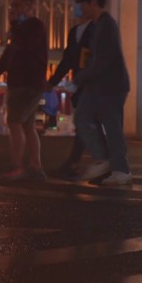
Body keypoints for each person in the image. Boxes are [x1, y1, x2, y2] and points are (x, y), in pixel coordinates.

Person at [0, 0, 48, 181]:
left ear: (29, 6)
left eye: (18, 5)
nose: (14, 9)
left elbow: (24, 49)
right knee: (27, 125)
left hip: (26, 83)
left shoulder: (34, 26)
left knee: (15, 123)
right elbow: (8, 56)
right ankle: (36, 166)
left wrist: (14, 26)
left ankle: (18, 167)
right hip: (26, 83)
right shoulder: (21, 29)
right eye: (12, 6)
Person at [72, 0, 132, 186]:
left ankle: (120, 169)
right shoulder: (96, 26)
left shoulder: (107, 25)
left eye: (82, 4)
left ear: (93, 3)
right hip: (96, 84)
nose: (80, 8)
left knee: (112, 126)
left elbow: (104, 59)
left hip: (111, 86)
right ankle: (103, 160)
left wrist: (82, 76)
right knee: (82, 115)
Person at [47, 11, 95, 180]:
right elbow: (67, 60)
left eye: (80, 2)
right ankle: (74, 164)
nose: (76, 7)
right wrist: (52, 81)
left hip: (94, 86)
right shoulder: (75, 31)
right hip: (82, 87)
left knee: (86, 125)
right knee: (85, 126)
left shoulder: (99, 30)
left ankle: (75, 164)